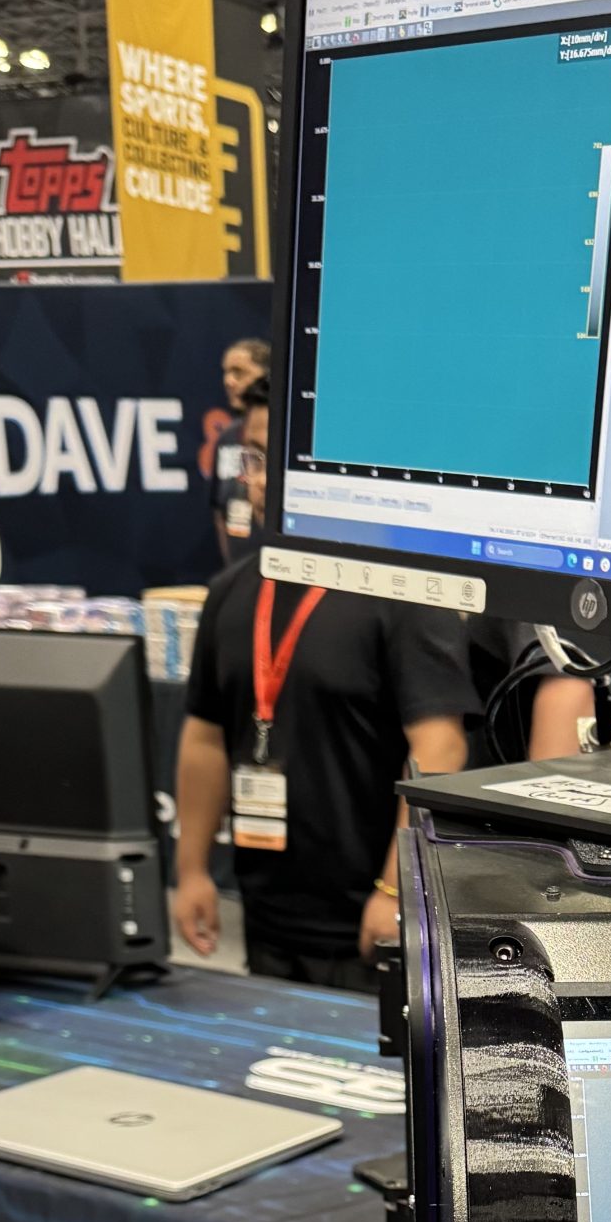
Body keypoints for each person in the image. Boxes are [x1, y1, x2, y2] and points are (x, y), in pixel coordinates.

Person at [173, 381, 479, 986]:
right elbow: (204, 739)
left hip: (368, 923)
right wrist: (191, 871)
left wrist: (397, 889)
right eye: (252, 457)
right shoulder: (231, 592)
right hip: (266, 915)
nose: (255, 479)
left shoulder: (405, 590)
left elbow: (439, 748)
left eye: (274, 458)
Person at [208, 336, 271, 561]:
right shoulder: (226, 438)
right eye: (226, 372)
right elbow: (218, 510)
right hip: (240, 567)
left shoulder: (290, 435)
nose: (229, 381)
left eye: (239, 372)